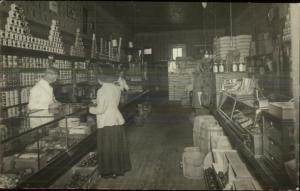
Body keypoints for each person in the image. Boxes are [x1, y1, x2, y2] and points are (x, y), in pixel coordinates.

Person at [89, 65, 131, 178]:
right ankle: (118, 170)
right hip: (117, 119)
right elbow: (122, 89)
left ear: (100, 79)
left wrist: (90, 108)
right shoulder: (116, 87)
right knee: (116, 146)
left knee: (107, 147)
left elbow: (101, 110)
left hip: (106, 122)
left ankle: (107, 172)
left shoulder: (101, 90)